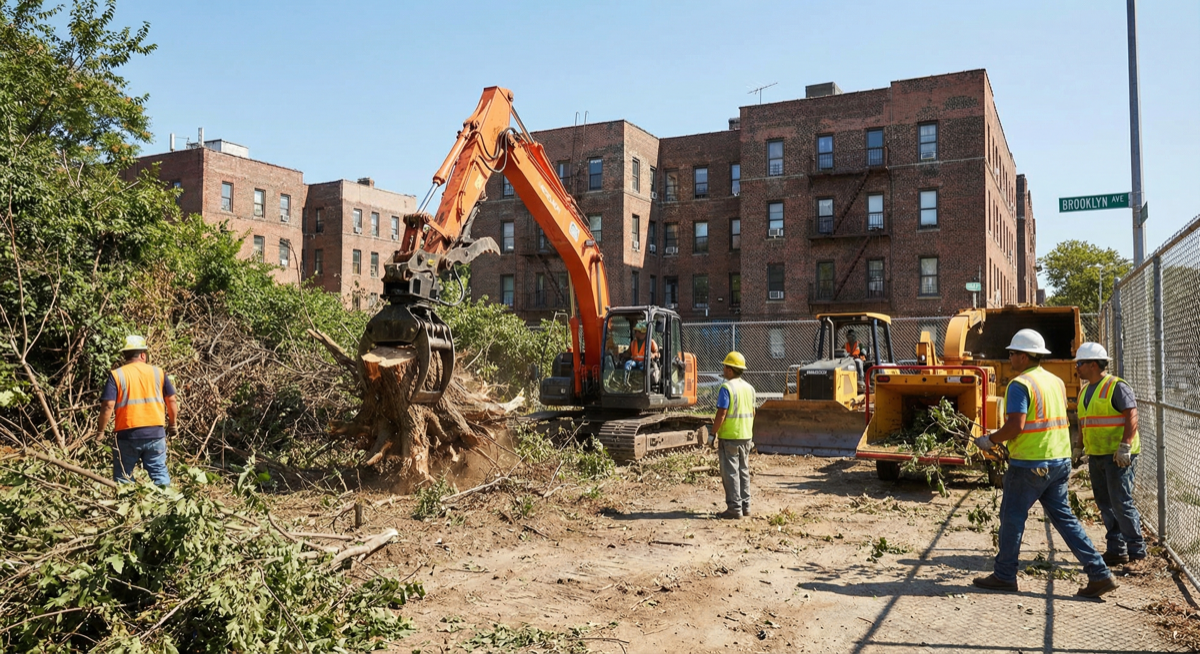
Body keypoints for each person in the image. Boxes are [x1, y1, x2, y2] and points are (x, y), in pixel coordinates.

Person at [972, 329, 1117, 598]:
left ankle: (1004, 575)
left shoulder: (1020, 384)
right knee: (1065, 519)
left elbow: (1016, 425)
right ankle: (1099, 572)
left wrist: (990, 440)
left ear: (1024, 357)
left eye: (1012, 353)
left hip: (1029, 463)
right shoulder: (1056, 382)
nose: (1010, 356)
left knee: (1012, 517)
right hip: (1058, 461)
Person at [1075, 342, 1146, 566]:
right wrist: (1078, 446)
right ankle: (1117, 548)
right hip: (1097, 454)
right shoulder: (1085, 390)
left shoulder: (1116, 386)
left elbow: (1131, 415)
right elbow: (1082, 421)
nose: (1077, 367)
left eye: (1080, 363)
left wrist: (1125, 445)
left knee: (1121, 502)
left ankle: (1137, 551)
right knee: (1105, 502)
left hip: (1118, 455)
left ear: (1093, 365)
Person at [95, 335, 179, 486]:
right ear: (142, 355)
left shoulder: (117, 375)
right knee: (159, 474)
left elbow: (108, 406)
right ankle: (166, 505)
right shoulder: (158, 373)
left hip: (127, 435)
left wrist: (100, 432)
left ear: (125, 355)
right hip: (155, 434)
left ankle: (127, 508)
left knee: (123, 479)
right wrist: (173, 424)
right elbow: (171, 400)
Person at [708, 351, 756, 519]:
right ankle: (746, 506)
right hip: (746, 436)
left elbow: (722, 413)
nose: (723, 368)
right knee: (743, 470)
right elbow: (753, 412)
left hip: (730, 436)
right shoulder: (750, 388)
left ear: (730, 369)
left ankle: (734, 508)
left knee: (731, 473)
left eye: (725, 366)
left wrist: (712, 434)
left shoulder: (726, 388)